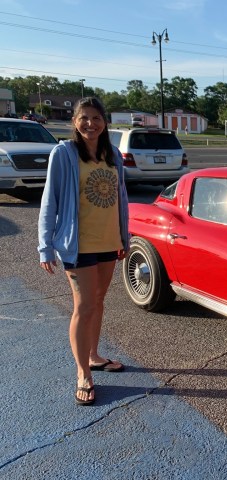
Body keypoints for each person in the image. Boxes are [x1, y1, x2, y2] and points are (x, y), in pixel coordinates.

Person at [38, 97, 129, 406]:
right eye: (84, 118)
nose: (91, 123)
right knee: (84, 305)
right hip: (78, 245)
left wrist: (124, 238)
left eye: (96, 118)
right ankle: (83, 374)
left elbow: (121, 198)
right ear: (74, 122)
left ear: (105, 122)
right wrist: (44, 246)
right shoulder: (64, 153)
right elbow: (50, 200)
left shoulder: (113, 154)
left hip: (109, 242)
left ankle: (93, 356)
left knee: (98, 302)